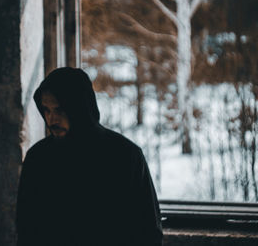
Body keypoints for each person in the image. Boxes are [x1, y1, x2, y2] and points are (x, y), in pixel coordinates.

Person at [16, 67, 162, 246]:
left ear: (80, 108)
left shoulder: (124, 156)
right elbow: (26, 229)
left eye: (60, 109)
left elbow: (148, 231)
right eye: (46, 110)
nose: (51, 118)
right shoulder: (38, 159)